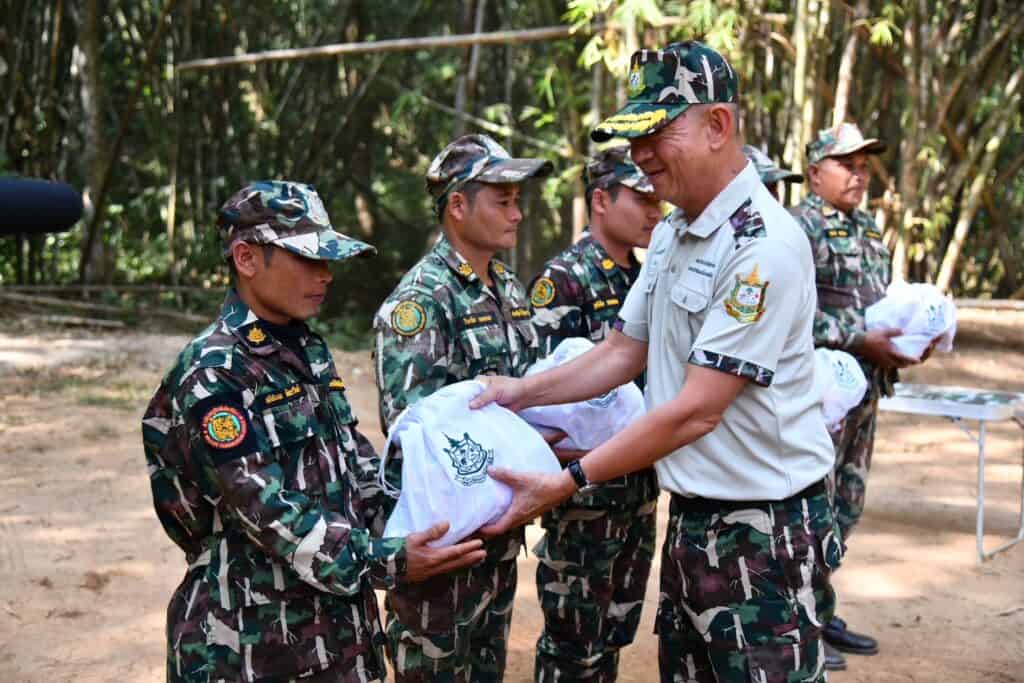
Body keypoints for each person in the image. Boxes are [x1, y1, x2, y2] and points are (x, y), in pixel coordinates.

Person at [471, 42, 842, 683]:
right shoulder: (675, 230)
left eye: (657, 132)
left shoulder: (764, 246)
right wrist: (520, 392)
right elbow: (622, 351)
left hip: (767, 533)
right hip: (693, 522)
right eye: (634, 136)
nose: (640, 154)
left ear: (717, 126)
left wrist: (566, 482)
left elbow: (696, 411)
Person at [141, 180, 485, 683]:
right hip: (250, 646)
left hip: (338, 639)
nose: (325, 275)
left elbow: (352, 460)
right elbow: (265, 510)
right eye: (307, 259)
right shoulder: (214, 371)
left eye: (327, 260)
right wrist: (389, 560)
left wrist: (429, 511)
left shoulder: (305, 347)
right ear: (246, 258)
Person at [372, 134, 552, 681]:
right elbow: (416, 432)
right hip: (445, 545)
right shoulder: (420, 302)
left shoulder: (507, 288)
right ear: (457, 205)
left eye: (518, 200)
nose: (517, 214)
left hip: (497, 535)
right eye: (502, 200)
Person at [527, 147, 663, 681]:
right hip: (585, 499)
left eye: (658, 199)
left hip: (639, 486)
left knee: (613, 632)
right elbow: (545, 399)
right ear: (601, 200)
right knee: (572, 642)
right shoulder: (566, 279)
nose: (655, 211)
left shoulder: (647, 276)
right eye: (642, 198)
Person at [791, 123, 921, 662]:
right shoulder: (797, 229)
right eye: (847, 163)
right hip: (818, 397)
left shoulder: (868, 227)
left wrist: (912, 337)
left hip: (864, 391)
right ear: (815, 172)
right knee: (810, 508)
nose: (859, 174)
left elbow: (882, 301)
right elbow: (791, 314)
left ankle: (821, 608)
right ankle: (798, 624)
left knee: (846, 503)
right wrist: (856, 334)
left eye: (864, 164)